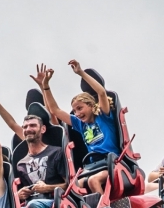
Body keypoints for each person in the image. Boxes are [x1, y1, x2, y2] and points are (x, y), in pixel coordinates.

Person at [32, 60, 120, 194]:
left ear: (91, 105)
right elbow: (55, 110)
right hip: (92, 166)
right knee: (74, 186)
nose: (77, 114)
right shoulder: (80, 124)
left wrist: (81, 73)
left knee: (92, 181)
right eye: (75, 110)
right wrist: (45, 86)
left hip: (112, 163)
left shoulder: (103, 116)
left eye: (80, 108)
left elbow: (101, 93)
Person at [11, 114, 68, 208]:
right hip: (32, 203)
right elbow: (24, 194)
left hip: (56, 201)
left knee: (34, 205)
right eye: (25, 127)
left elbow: (69, 185)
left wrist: (47, 188)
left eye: (32, 125)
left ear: (43, 129)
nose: (28, 129)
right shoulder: (21, 164)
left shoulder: (56, 152)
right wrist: (19, 195)